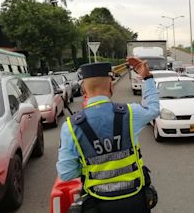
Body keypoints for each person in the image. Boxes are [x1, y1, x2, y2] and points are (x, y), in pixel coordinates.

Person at [56, 58, 159, 212]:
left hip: (97, 203)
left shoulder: (71, 126)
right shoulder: (130, 113)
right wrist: (147, 77)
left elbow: (66, 173)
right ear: (111, 85)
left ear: (83, 90)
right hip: (135, 200)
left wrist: (90, 164)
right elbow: (153, 109)